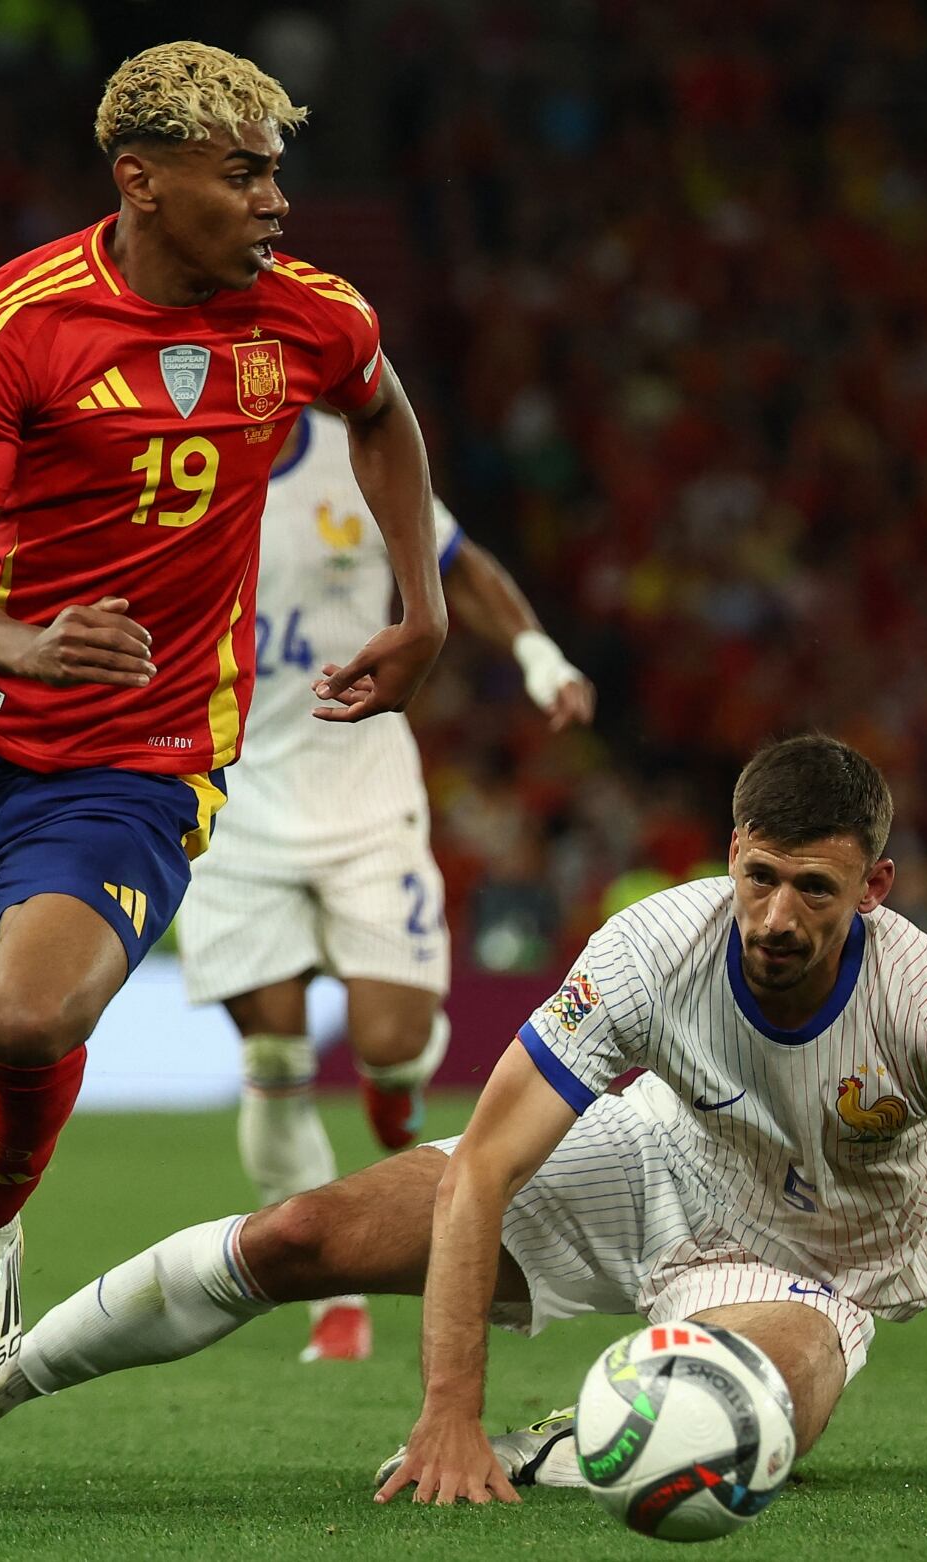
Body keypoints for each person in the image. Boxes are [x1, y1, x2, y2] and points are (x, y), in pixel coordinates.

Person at [0, 736, 927, 1501]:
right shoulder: (651, 947)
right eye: (758, 875)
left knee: (743, 1419)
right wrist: (438, 1406)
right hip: (646, 1163)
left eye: (815, 889)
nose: (776, 914)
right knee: (301, 1229)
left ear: (875, 887)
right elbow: (490, 1163)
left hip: (813, 1265)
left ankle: (555, 1443)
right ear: (730, 852)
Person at [0, 41, 451, 1507]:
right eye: (243, 174)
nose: (275, 201)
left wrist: (425, 602)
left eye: (277, 172)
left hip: (148, 748)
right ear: (141, 180)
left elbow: (383, 413)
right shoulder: (21, 323)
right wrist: (31, 642)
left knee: (29, 1015)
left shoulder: (314, 315)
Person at [174, 404, 594, 1363]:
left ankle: (395, 1095)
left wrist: (537, 654)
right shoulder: (172, 468)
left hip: (364, 796)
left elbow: (460, 567)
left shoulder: (362, 459)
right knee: (273, 1052)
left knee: (393, 1043)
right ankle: (332, 1300)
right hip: (229, 802)